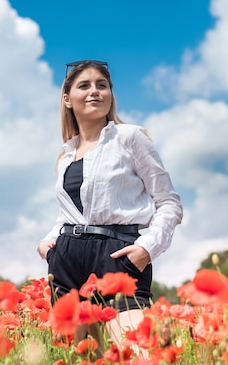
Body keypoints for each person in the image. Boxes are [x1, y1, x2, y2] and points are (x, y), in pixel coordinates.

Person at [37, 60, 183, 350]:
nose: (95, 92)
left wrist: (146, 248)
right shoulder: (65, 156)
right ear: (67, 99)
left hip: (118, 256)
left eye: (102, 85)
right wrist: (48, 243)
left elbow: (169, 202)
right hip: (67, 263)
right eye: (84, 86)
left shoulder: (130, 138)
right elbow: (70, 215)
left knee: (138, 352)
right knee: (91, 357)